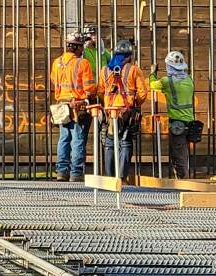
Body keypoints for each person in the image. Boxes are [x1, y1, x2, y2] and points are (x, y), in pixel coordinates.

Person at [98, 39, 148, 181]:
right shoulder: (133, 70)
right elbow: (143, 93)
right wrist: (135, 104)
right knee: (125, 142)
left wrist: (107, 103)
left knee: (109, 142)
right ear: (129, 56)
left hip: (110, 112)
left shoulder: (105, 70)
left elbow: (100, 91)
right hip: (126, 112)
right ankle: (121, 177)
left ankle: (109, 178)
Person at [50, 32, 96, 182]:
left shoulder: (57, 63)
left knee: (64, 138)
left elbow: (54, 82)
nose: (82, 50)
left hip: (61, 105)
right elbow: (89, 88)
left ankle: (62, 172)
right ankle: (76, 173)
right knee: (77, 139)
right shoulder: (83, 64)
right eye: (81, 47)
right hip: (78, 105)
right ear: (76, 47)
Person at [150, 50, 195, 179]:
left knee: (178, 155)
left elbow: (152, 85)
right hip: (190, 122)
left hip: (177, 124)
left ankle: (183, 184)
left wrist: (153, 72)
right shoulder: (189, 79)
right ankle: (184, 179)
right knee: (184, 153)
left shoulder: (167, 82)